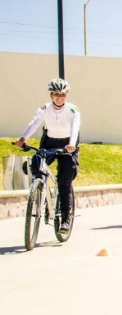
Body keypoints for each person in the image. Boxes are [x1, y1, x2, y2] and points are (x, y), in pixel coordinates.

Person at [15, 78, 81, 235]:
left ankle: (65, 219)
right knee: (37, 162)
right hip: (49, 142)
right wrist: (23, 139)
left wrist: (71, 144)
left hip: (67, 144)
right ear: (51, 95)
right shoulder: (44, 108)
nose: (60, 97)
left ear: (66, 96)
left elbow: (75, 126)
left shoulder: (72, 110)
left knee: (64, 182)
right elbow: (34, 122)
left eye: (63, 94)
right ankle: (40, 189)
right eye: (56, 94)